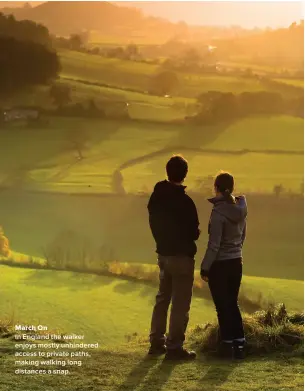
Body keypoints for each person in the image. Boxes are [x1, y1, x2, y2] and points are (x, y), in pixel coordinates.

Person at [147, 155, 200, 360]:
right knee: (180, 303)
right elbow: (193, 232)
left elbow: (153, 221)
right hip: (182, 257)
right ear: (185, 174)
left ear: (167, 171)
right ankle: (175, 347)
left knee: (162, 298)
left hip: (163, 253)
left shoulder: (156, 197)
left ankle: (156, 342)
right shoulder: (186, 202)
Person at [200, 172, 247, 359]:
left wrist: (205, 267)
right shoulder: (241, 210)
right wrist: (235, 251)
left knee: (222, 306)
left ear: (216, 188)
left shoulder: (218, 213)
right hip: (237, 262)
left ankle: (227, 346)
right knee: (232, 304)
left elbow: (214, 244)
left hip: (220, 264)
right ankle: (240, 345)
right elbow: (243, 236)